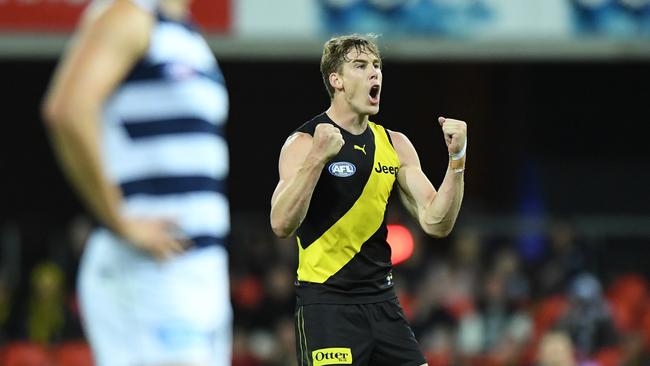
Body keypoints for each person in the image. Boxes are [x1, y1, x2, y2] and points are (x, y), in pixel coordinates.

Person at [41, 0, 231, 364]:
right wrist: (121, 222)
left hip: (198, 274)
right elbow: (67, 109)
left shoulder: (186, 33)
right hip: (148, 273)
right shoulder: (130, 15)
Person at [270, 34, 467, 366]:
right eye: (360, 66)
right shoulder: (304, 142)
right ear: (337, 81)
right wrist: (318, 159)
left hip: (383, 304)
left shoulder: (396, 144)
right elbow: (281, 224)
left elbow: (436, 222)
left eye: (377, 66)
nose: (375, 73)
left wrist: (458, 160)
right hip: (327, 305)